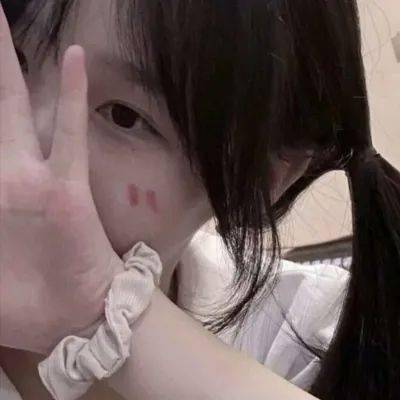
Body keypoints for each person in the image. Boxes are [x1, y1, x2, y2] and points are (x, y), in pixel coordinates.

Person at [0, 1, 399, 399]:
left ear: (258, 184)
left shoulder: (305, 337)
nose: (22, 154)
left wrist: (103, 318)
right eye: (15, 60)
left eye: (124, 115)